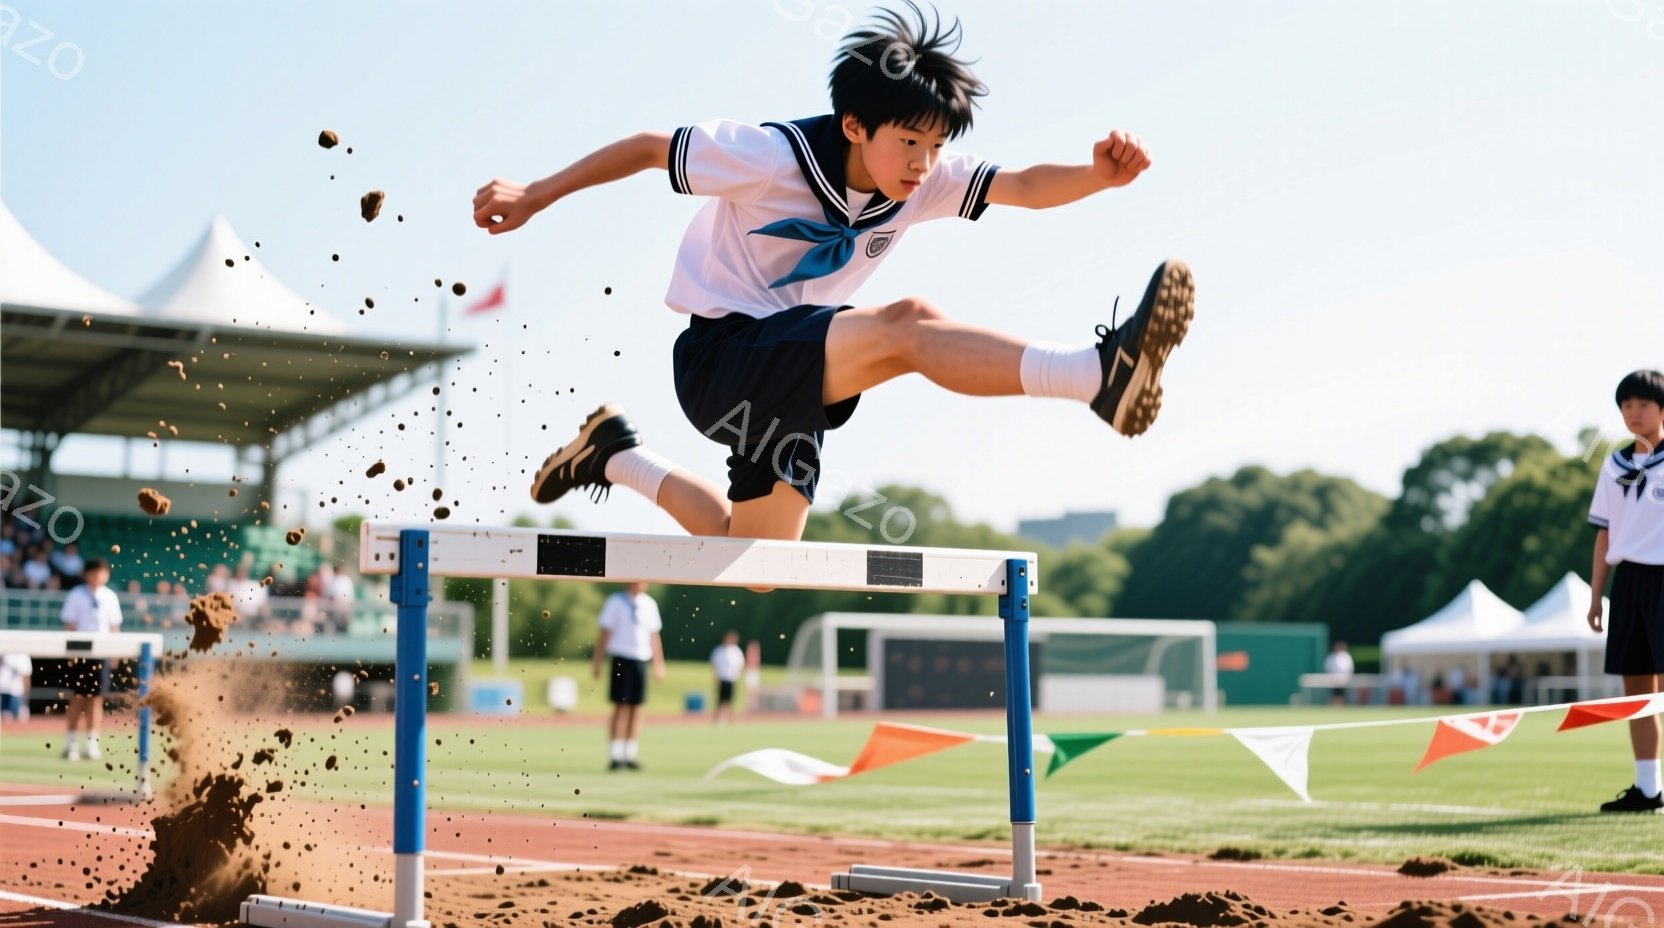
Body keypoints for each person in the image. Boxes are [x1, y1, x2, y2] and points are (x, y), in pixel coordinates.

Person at [477, 4, 1195, 543]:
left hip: (793, 377)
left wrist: (1099, 177)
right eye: (910, 142)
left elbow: (1027, 187)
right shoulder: (769, 157)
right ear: (854, 125)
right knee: (907, 324)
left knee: (753, 560)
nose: (923, 163)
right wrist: (535, 195)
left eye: (938, 144)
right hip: (721, 357)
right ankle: (1093, 375)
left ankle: (615, 458)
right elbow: (645, 147)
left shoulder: (927, 179)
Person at [1587, 369, 1664, 813]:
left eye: (1644, 404)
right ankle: (1648, 789)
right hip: (1629, 582)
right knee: (1637, 694)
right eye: (1627, 405)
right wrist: (1597, 595)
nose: (1634, 413)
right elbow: (1604, 533)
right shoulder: (1614, 464)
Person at [592, 582, 665, 770]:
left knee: (636, 707)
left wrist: (658, 663)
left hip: (640, 658)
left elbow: (654, 636)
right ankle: (615, 754)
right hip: (621, 658)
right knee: (620, 705)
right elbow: (605, 633)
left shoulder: (649, 604)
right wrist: (598, 661)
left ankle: (629, 753)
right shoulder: (615, 602)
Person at [60, 557, 122, 761]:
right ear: (86, 574)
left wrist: (115, 652)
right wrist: (71, 653)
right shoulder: (76, 595)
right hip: (80, 653)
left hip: (100, 653)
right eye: (94, 572)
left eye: (102, 572)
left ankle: (92, 743)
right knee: (77, 697)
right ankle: (71, 743)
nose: (98, 576)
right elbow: (70, 624)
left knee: (96, 699)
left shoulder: (110, 597)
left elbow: (114, 627)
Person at [710, 630, 745, 723]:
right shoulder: (719, 650)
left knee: (730, 700)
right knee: (720, 700)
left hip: (731, 679)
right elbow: (715, 664)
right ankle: (717, 719)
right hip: (722, 678)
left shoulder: (736, 651)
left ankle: (729, 719)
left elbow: (741, 664)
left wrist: (738, 675)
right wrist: (716, 677)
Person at [0, 652, 31, 721]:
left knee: (14, 720)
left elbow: (26, 676)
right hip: (1, 691)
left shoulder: (23, 655)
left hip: (15, 692)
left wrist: (24, 703)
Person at [1324, 640, 1354, 705]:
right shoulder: (1331, 657)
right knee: (1335, 695)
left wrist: (1346, 677)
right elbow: (1328, 668)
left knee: (1343, 695)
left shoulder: (1346, 656)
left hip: (1344, 680)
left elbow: (1349, 668)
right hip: (1333, 680)